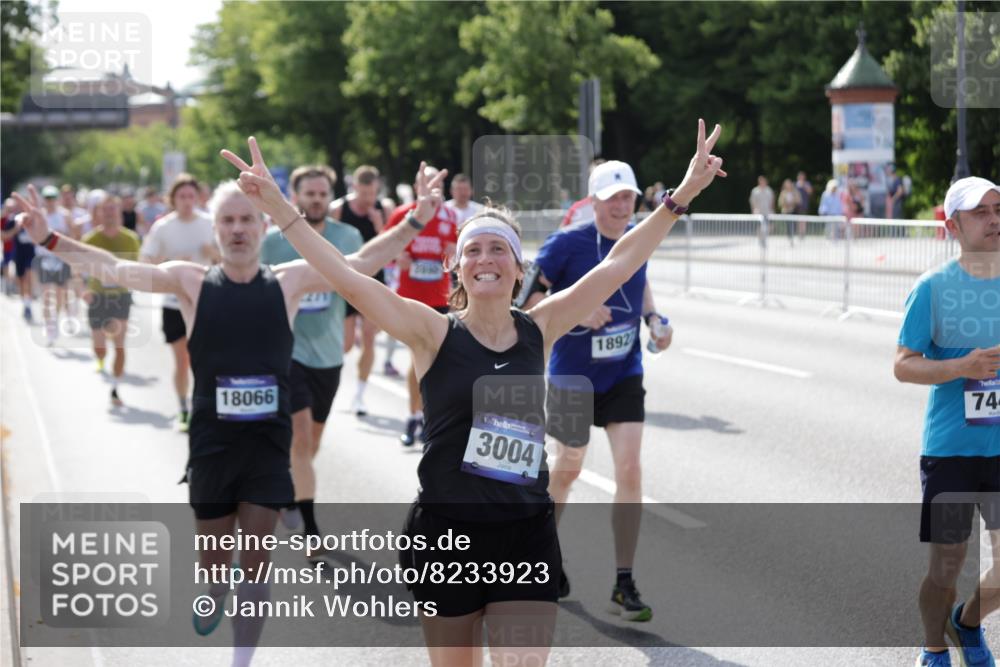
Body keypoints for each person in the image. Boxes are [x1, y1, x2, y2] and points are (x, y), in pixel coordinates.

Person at [220, 121, 724, 666]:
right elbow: (346, 278)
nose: (487, 258)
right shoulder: (430, 331)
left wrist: (682, 196)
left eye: (499, 249)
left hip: (525, 533)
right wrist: (278, 207)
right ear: (456, 267)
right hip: (448, 535)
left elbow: (620, 262)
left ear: (518, 267)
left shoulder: (541, 325)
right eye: (474, 250)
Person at [14, 173, 433, 667]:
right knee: (216, 562)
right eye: (228, 221)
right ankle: (214, 584)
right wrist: (47, 238)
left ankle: (241, 660)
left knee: (256, 560)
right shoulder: (189, 281)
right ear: (215, 230)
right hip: (212, 444)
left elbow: (360, 265)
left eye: (247, 220)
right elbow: (113, 269)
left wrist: (416, 220)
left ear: (262, 227)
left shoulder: (291, 280)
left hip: (267, 444)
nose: (238, 230)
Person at [521, 160, 675, 622]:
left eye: (628, 198)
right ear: (593, 202)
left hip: (624, 371)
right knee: (567, 467)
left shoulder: (638, 239)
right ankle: (542, 558)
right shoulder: (566, 244)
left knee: (630, 468)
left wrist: (654, 321)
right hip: (571, 373)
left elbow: (641, 286)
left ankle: (623, 580)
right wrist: (576, 311)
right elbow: (526, 303)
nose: (622, 208)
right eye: (612, 201)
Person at [261, 163, 430, 558]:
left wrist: (353, 325)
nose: (316, 199)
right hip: (287, 354)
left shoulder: (346, 235)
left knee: (312, 440)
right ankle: (311, 527)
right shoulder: (272, 243)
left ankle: (293, 485)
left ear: (329, 197)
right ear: (297, 197)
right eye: (309, 193)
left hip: (329, 354)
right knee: (301, 434)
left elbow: (355, 283)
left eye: (322, 193)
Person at [894, 176, 1000, 667]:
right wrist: (962, 367)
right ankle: (933, 648)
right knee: (946, 567)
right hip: (952, 451)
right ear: (953, 224)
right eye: (980, 212)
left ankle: (968, 623)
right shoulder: (933, 288)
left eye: (998, 209)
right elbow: (903, 363)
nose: (994, 219)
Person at [383, 166, 458, 446]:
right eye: (427, 184)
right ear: (417, 187)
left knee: (437, 363)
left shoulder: (449, 216)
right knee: (420, 357)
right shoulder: (402, 215)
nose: (433, 190)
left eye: (438, 185)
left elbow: (451, 252)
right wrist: (399, 257)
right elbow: (385, 250)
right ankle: (415, 416)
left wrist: (451, 257)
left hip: (440, 298)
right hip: (409, 297)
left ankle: (428, 418)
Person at [140, 173, 219, 431]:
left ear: (198, 197)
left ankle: (204, 407)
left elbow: (231, 260)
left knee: (205, 360)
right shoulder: (163, 227)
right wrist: (168, 261)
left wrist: (212, 254)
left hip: (206, 300)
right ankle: (184, 408)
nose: (187, 201)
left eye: (191, 196)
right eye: (181, 196)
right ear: (172, 199)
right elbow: (145, 262)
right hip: (173, 304)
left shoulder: (211, 223)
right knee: (182, 359)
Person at [330, 165, 389, 416]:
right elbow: (326, 243)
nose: (368, 199)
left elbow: (392, 246)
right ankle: (333, 385)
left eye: (372, 193)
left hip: (375, 281)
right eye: (364, 193)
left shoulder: (384, 209)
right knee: (344, 345)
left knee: (368, 337)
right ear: (355, 187)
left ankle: (360, 395)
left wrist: (379, 226)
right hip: (345, 280)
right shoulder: (338, 209)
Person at [81, 192, 142, 405]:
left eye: (113, 210)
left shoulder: (131, 239)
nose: (109, 214)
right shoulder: (90, 240)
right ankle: (99, 358)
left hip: (120, 297)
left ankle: (115, 388)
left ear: (120, 213)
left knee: (119, 344)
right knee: (100, 347)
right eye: (104, 210)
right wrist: (83, 290)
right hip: (97, 297)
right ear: (98, 214)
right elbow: (78, 270)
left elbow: (138, 268)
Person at [37, 185, 77, 345]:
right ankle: (50, 326)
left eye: (53, 198)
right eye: (47, 198)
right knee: (47, 293)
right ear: (44, 199)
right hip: (44, 259)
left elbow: (73, 236)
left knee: (60, 294)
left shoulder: (64, 215)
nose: (50, 201)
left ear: (57, 199)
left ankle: (55, 319)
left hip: (61, 259)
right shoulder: (40, 216)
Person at [778, 178, 801, 246]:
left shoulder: (795, 192)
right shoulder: (783, 193)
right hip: (786, 211)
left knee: (794, 225)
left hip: (794, 211)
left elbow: (799, 200)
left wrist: (793, 202)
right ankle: (789, 238)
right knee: (788, 225)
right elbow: (780, 203)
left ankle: (793, 237)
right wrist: (786, 204)